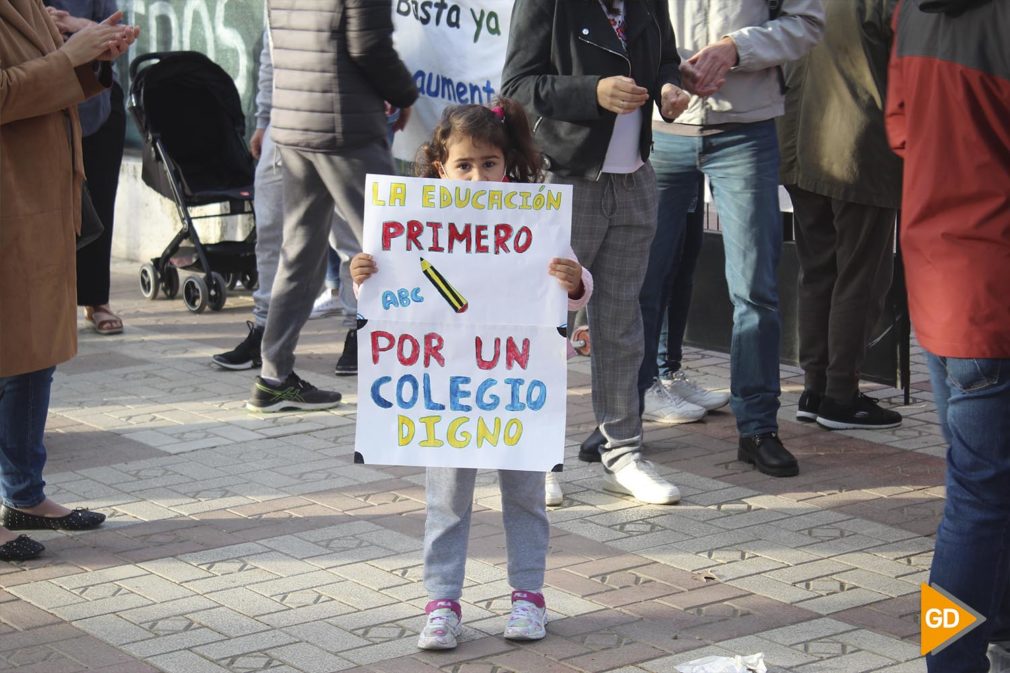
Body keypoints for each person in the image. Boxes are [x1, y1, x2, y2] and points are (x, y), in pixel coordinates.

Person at [350, 99, 590, 649]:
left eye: (489, 163)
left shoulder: (533, 220)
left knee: (526, 497)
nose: (478, 176)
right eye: (464, 165)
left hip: (515, 391)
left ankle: (528, 598)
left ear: (508, 166)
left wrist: (574, 282)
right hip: (446, 394)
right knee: (447, 501)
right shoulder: (416, 224)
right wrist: (362, 276)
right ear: (441, 168)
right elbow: (393, 301)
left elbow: (576, 285)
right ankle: (441, 605)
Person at [607, 0, 824, 479]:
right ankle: (620, 425)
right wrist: (665, 74)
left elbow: (808, 23)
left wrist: (734, 48)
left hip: (745, 131)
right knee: (639, 282)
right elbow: (613, 23)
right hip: (661, 129)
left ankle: (759, 428)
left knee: (755, 288)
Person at [501, 0, 690, 505]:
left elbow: (667, 59)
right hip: (566, 178)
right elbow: (516, 86)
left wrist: (673, 88)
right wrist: (593, 93)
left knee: (622, 323)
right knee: (547, 322)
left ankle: (623, 453)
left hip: (634, 178)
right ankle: (533, 454)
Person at [885, 0, 1010, 670]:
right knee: (976, 499)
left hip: (936, 274)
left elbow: (900, 129)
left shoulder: (914, 8)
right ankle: (950, 659)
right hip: (989, 288)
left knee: (982, 489)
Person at [0, 4, 138, 562]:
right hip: (12, 199)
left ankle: (25, 495)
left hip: (38, 199)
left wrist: (91, 56)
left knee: (35, 350)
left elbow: (47, 79)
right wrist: (67, 58)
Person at [246, 0, 417, 412]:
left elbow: (275, 46)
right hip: (346, 128)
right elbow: (369, 46)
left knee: (299, 252)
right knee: (396, 247)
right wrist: (404, 94)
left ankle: (274, 376)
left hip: (294, 127)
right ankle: (424, 371)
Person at [780, 0, 903, 431]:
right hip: (856, 146)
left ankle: (817, 388)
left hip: (801, 140)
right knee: (861, 275)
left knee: (819, 270)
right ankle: (839, 394)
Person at [45, 0, 127, 337]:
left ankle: (96, 300)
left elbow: (116, 30)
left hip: (98, 102)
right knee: (44, 211)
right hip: (40, 103)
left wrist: (73, 24)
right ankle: (48, 303)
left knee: (100, 203)